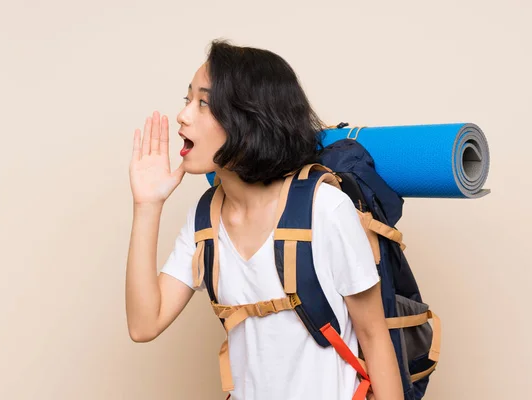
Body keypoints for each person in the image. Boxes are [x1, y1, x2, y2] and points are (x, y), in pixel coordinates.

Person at [125, 39, 403, 400]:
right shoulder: (204, 219)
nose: (183, 115)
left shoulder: (325, 208)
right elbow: (144, 324)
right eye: (187, 99)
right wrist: (147, 205)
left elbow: (374, 337)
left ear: (249, 119)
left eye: (204, 103)